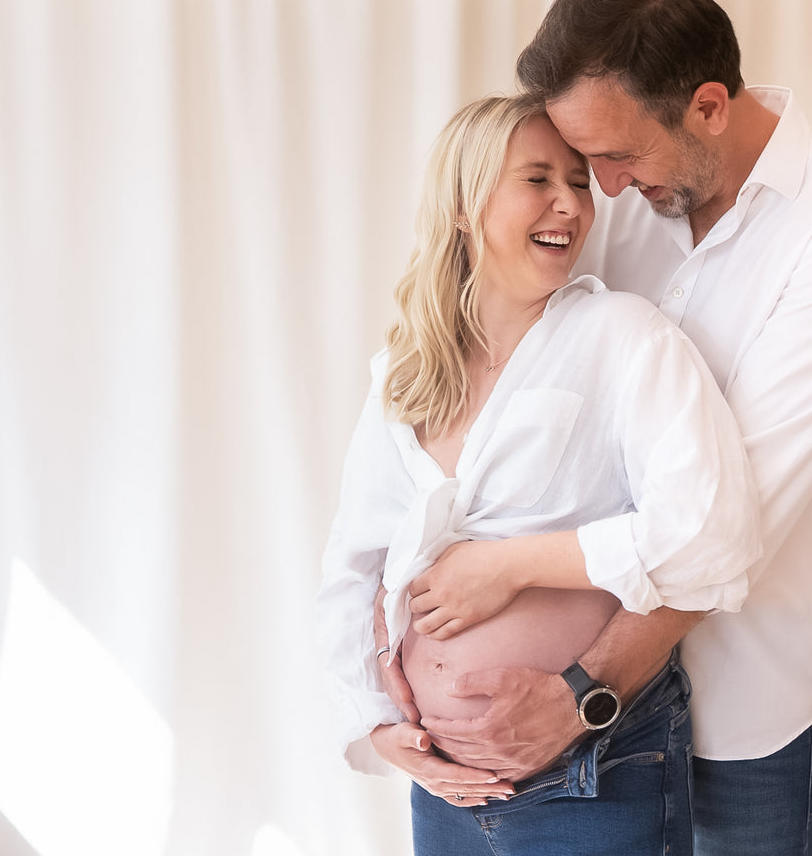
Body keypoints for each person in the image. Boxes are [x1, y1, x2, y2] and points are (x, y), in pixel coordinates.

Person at [403, 0, 812, 854]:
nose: (595, 189)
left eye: (614, 156)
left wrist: (577, 689)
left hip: (740, 716)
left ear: (709, 106)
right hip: (582, 731)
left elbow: (734, 518)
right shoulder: (626, 194)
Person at [316, 94, 759, 855]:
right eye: (538, 179)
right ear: (463, 205)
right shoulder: (406, 374)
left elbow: (714, 530)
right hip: (445, 787)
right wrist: (376, 723)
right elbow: (352, 565)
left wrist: (509, 568)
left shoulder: (622, 336)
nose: (570, 204)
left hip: (590, 774)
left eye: (579, 181)